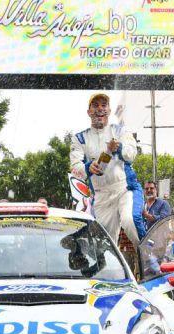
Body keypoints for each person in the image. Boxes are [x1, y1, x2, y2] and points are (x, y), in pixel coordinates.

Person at [70, 93, 145, 248]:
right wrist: (88, 168)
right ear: (89, 112)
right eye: (95, 105)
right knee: (103, 245)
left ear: (109, 111)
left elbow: (131, 154)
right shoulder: (80, 138)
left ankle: (152, 261)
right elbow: (75, 168)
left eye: (104, 105)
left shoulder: (120, 131)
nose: (100, 109)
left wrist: (119, 148)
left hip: (124, 188)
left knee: (130, 221)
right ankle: (105, 270)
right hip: (101, 196)